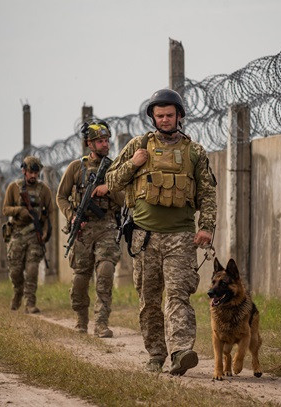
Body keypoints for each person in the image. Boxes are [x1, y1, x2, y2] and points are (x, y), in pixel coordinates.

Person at [105, 89, 217, 375]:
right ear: (153, 117)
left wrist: (206, 228)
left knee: (178, 295)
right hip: (145, 237)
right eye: (160, 115)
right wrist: (134, 163)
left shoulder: (195, 152)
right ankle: (156, 354)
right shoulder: (137, 146)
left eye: (170, 115)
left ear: (179, 116)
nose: (165, 120)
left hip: (180, 237)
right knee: (149, 300)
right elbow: (113, 181)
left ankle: (181, 351)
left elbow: (207, 193)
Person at [56, 121, 124, 338]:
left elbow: (124, 199)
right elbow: (61, 197)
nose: (105, 145)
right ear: (89, 144)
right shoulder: (76, 168)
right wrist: (72, 215)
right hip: (83, 229)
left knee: (105, 271)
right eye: (100, 141)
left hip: (107, 226)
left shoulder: (114, 168)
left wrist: (108, 189)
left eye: (106, 140)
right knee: (80, 278)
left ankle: (101, 323)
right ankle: (81, 319)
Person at [2, 156, 53, 314]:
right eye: (30, 172)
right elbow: (5, 209)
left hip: (33, 235)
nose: (33, 176)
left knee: (32, 269)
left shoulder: (44, 190)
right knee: (15, 270)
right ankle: (18, 292)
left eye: (36, 173)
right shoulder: (14, 188)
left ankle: (30, 302)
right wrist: (19, 211)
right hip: (17, 233)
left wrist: (45, 233)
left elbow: (49, 214)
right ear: (24, 171)